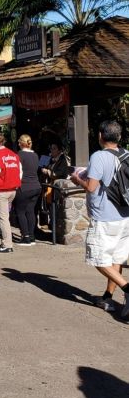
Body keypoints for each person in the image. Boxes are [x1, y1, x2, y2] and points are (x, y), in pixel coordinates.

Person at [70, 120, 129, 317]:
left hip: (104, 217)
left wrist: (77, 179)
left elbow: (91, 186)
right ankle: (108, 298)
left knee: (98, 259)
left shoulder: (99, 156)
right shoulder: (126, 154)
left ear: (100, 136)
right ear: (119, 137)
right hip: (124, 215)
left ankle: (127, 289)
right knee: (116, 258)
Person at [13, 134, 41, 245]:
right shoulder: (35, 155)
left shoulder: (19, 155)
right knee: (30, 211)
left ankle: (25, 237)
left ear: (21, 143)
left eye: (19, 142)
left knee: (20, 212)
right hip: (36, 186)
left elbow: (17, 172)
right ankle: (31, 236)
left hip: (24, 186)